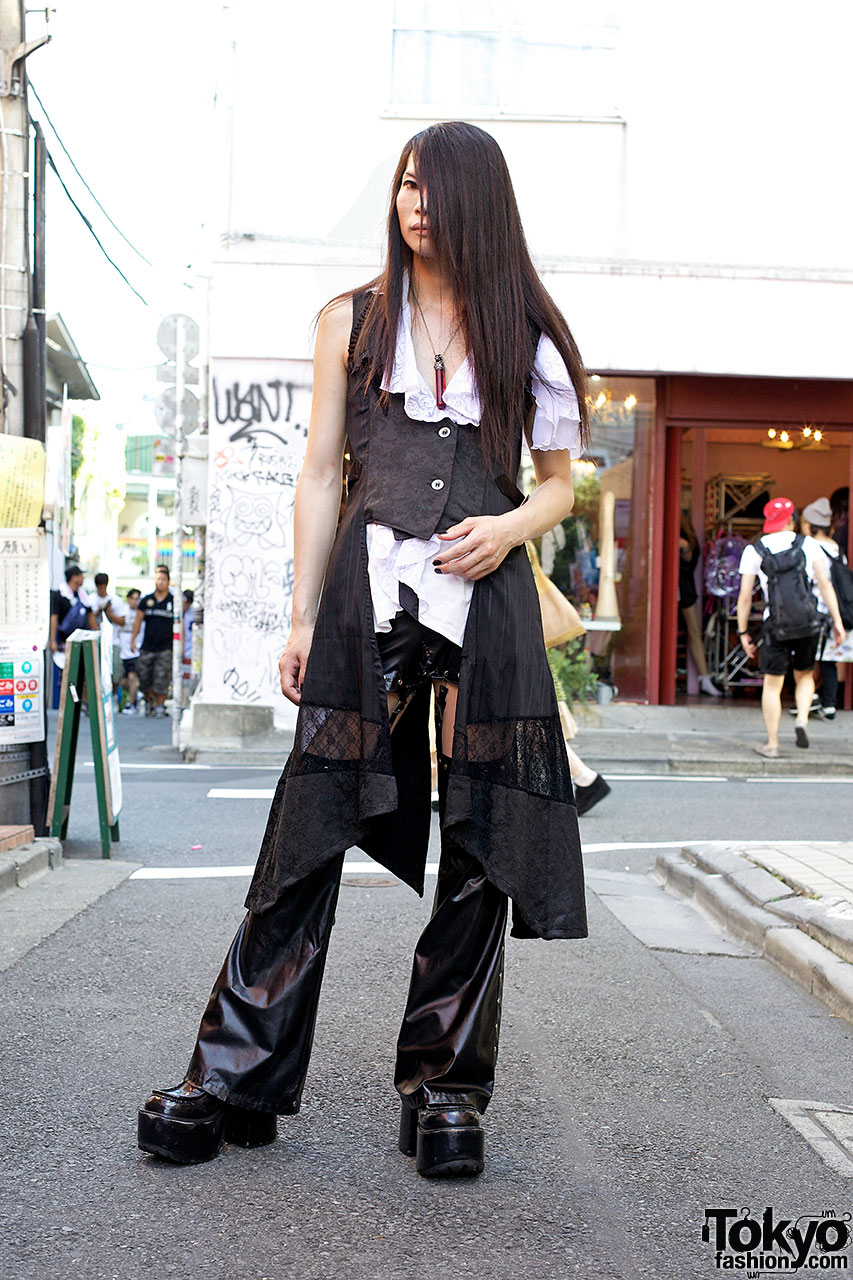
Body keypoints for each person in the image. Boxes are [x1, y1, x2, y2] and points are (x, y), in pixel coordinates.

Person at [138, 122, 589, 1177]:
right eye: (402, 184)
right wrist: (297, 617)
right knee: (310, 817)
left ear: (478, 200)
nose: (412, 202)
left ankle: (443, 1087)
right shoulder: (351, 319)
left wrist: (508, 528)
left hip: (485, 608)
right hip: (368, 600)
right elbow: (317, 475)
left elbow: (562, 484)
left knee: (481, 844)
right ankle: (231, 1071)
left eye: (432, 187)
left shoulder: (527, 335)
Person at [736, 497, 845, 757]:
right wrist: (838, 622)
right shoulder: (809, 544)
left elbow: (744, 596)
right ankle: (802, 720)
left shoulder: (754, 549)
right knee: (804, 675)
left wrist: (742, 633)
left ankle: (772, 744)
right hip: (807, 622)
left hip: (775, 624)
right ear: (792, 520)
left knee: (772, 685)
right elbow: (826, 585)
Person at [801, 496, 853, 720]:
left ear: (811, 525)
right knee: (828, 659)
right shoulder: (836, 548)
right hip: (835, 612)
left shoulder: (808, 547)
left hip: (814, 609)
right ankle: (829, 705)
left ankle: (808, 698)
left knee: (805, 658)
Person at [678, 511, 721, 697]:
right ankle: (703, 677)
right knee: (692, 632)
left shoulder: (685, 538)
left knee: (694, 632)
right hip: (679, 588)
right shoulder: (687, 536)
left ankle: (704, 677)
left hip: (683, 589)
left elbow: (688, 553)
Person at [130, 565, 174, 718]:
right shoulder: (147, 600)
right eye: (157, 579)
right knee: (144, 674)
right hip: (147, 646)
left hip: (166, 646)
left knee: (162, 676)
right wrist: (133, 639)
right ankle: (148, 700)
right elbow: (138, 620)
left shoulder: (173, 601)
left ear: (168, 581)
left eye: (163, 579)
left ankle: (160, 705)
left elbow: (179, 624)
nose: (160, 582)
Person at [117, 588, 142, 714]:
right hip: (122, 650)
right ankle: (136, 694)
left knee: (132, 677)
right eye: (133, 598)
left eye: (137, 599)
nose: (135, 601)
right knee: (122, 681)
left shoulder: (141, 612)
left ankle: (131, 703)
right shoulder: (123, 610)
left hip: (135, 650)